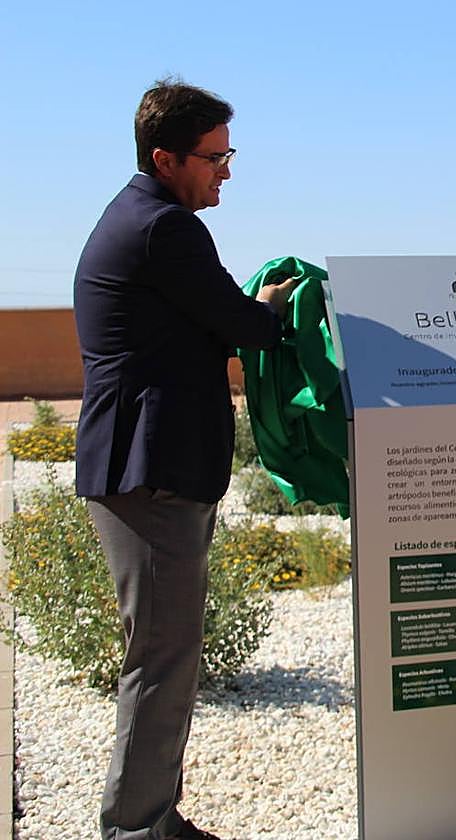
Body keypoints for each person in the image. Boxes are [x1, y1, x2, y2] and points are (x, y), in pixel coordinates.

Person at [74, 79, 296, 840]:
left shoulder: (142, 218)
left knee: (167, 654)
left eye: (229, 153)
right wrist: (273, 306)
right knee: (162, 660)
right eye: (214, 156)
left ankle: (155, 819)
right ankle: (136, 829)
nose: (226, 170)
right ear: (165, 158)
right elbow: (242, 324)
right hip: (152, 471)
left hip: (149, 468)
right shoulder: (163, 229)